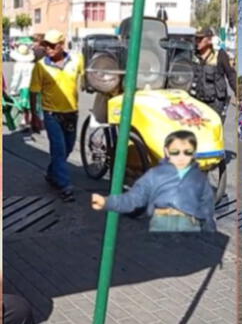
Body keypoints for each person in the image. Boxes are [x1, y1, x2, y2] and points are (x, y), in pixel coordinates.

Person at [91, 130, 215, 232]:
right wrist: (107, 202)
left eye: (187, 152)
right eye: (175, 152)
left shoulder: (198, 178)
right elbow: (133, 198)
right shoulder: (155, 176)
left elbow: (207, 204)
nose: (181, 157)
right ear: (166, 151)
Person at [29, 30, 85, 202]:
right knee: (58, 149)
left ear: (62, 44)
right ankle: (65, 185)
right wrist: (34, 115)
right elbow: (34, 92)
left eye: (53, 45)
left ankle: (53, 173)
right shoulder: (41, 66)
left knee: (68, 148)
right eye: (46, 45)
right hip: (51, 114)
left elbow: (85, 79)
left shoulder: (77, 60)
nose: (49, 49)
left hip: (71, 113)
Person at [190, 28, 237, 125]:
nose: (197, 42)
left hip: (215, 103)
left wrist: (238, 92)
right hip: (197, 102)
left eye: (201, 39)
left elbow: (231, 75)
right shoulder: (192, 55)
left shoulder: (219, 55)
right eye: (196, 39)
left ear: (209, 40)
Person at [8, 45, 35, 132]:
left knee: (24, 107)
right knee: (32, 106)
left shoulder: (18, 65)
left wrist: (13, 89)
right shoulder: (33, 64)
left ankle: (25, 122)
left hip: (24, 87)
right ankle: (32, 122)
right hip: (33, 87)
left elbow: (16, 78)